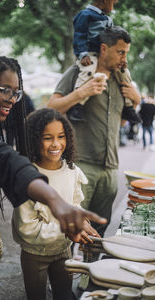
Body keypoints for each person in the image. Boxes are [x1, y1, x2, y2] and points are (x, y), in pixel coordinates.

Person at [0, 54, 107, 271]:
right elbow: (6, 161)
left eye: (15, 93)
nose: (11, 98)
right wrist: (56, 201)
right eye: (4, 89)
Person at [48, 26, 141, 237]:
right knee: (71, 229)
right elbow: (51, 107)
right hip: (81, 164)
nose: (124, 58)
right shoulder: (80, 72)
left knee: (99, 229)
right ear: (104, 48)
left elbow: (123, 123)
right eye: (120, 52)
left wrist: (135, 100)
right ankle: (67, 269)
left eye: (126, 52)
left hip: (110, 168)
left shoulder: (122, 79)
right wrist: (82, 92)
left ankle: (89, 269)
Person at [12, 108, 100, 300]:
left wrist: (82, 221)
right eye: (47, 138)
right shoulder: (27, 176)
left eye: (61, 136)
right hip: (35, 255)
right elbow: (26, 228)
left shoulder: (72, 171)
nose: (56, 144)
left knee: (64, 294)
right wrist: (68, 228)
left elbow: (75, 204)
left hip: (64, 251)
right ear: (33, 140)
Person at [69, 0, 141, 123]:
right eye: (113, 2)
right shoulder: (85, 15)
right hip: (90, 53)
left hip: (104, 54)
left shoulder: (107, 19)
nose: (113, 7)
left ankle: (128, 107)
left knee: (125, 73)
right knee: (88, 71)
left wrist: (119, 57)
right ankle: (78, 106)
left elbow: (113, 40)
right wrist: (82, 54)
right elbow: (79, 36)